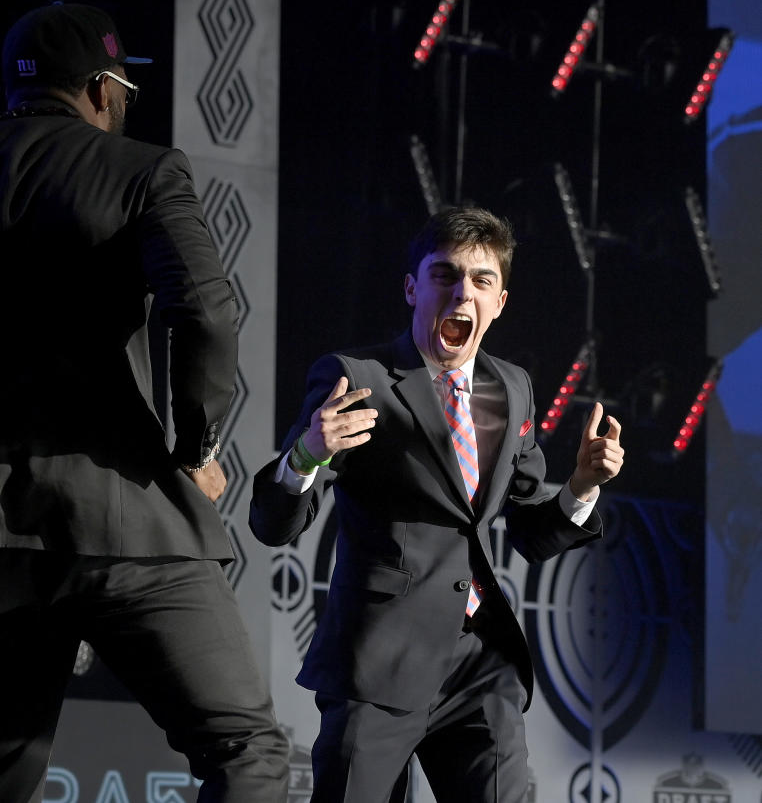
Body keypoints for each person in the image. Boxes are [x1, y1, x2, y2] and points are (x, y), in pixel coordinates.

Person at [0, 2, 290, 803]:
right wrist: (193, 447)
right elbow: (207, 313)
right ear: (104, 90)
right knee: (245, 750)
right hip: (135, 522)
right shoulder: (143, 171)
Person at [249, 207, 625, 803]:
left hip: (481, 663)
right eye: (444, 275)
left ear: (500, 302)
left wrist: (579, 487)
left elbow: (529, 528)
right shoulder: (357, 376)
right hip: (380, 662)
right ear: (412, 287)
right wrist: (305, 456)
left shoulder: (513, 388)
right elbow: (274, 524)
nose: (462, 292)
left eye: (481, 280)